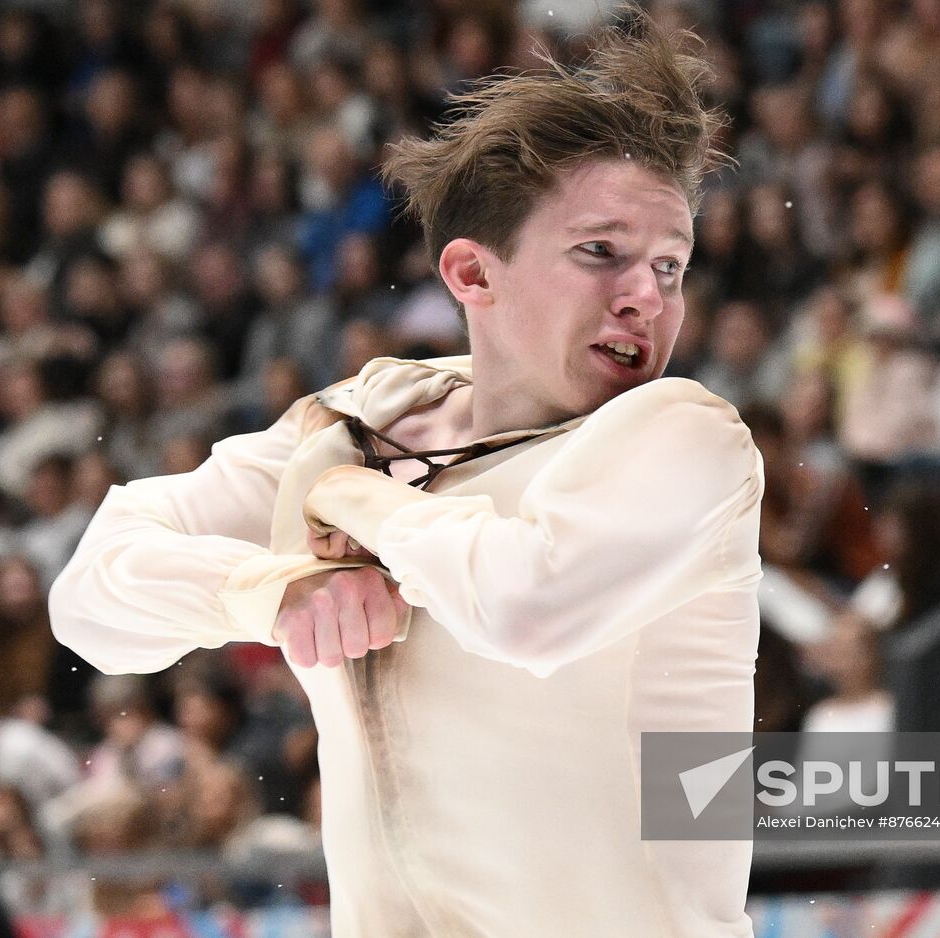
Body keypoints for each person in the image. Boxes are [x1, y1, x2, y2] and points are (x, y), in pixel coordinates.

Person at [50, 15, 764, 938]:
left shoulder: (687, 442)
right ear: (472, 273)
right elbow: (90, 599)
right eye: (602, 253)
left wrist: (354, 501)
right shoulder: (362, 417)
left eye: (671, 265)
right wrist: (274, 594)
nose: (647, 296)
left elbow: (527, 607)